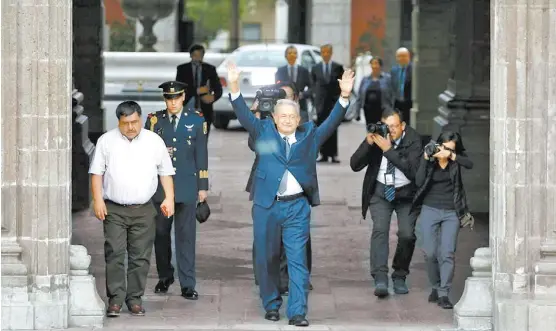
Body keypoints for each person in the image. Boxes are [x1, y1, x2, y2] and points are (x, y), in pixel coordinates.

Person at [228, 61, 354, 327]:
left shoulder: (309, 136)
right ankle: (271, 303)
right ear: (274, 118)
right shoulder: (262, 130)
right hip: (266, 206)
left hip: (297, 207)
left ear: (299, 120)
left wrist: (344, 96)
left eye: (291, 117)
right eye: (282, 116)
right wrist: (235, 85)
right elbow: (242, 113)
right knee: (267, 258)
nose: (286, 120)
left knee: (297, 260)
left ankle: (298, 311)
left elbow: (332, 122)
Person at [89, 101, 175, 317]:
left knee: (140, 256)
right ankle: (115, 300)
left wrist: (169, 198)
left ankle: (135, 299)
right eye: (125, 123)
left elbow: (165, 172)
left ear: (140, 118)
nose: (130, 127)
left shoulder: (154, 141)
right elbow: (96, 173)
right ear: (118, 121)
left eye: (135, 122)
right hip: (114, 210)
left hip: (144, 209)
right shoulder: (106, 141)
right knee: (115, 254)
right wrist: (98, 200)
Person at [144, 81, 208, 301]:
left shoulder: (196, 119)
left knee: (186, 237)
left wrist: (203, 187)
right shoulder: (154, 121)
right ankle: (165, 276)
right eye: (168, 98)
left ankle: (188, 284)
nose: (172, 102)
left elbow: (201, 154)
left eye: (176, 98)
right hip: (162, 188)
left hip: (188, 185)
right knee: (160, 235)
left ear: (183, 97)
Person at [247, 82, 313, 295]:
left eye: (287, 97)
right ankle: (267, 282)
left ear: (296, 100)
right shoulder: (266, 121)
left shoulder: (301, 124)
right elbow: (254, 144)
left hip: (294, 193)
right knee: (265, 241)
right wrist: (257, 114)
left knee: (295, 243)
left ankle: (292, 281)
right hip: (266, 187)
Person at [349, 108, 422, 298]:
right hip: (381, 192)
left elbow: (413, 172)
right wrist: (367, 143)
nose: (390, 131)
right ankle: (380, 276)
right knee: (380, 230)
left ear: (403, 126)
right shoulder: (377, 137)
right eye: (386, 126)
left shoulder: (414, 140)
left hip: (406, 194)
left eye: (394, 126)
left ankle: (399, 275)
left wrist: (389, 150)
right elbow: (354, 165)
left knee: (407, 235)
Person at [412, 131, 474, 309]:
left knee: (447, 253)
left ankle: (444, 293)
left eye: (450, 149)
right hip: (430, 208)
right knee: (429, 252)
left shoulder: (456, 160)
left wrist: (452, 155)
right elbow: (418, 181)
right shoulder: (430, 158)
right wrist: (425, 158)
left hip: (451, 212)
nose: (445, 151)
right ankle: (435, 286)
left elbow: (469, 164)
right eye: (444, 147)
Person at [176, 44, 223, 138]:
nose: (198, 58)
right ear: (190, 55)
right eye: (195, 55)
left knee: (203, 138)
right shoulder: (182, 69)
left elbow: (218, 89)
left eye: (200, 55)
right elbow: (179, 88)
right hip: (188, 107)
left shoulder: (210, 69)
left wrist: (212, 97)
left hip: (205, 109)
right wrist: (196, 91)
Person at [311, 44, 344, 163]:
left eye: (327, 52)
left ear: (331, 53)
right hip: (320, 103)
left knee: (333, 128)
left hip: (333, 103)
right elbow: (314, 85)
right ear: (321, 53)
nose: (325, 54)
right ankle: (323, 154)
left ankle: (333, 154)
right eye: (323, 52)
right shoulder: (316, 68)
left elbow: (341, 85)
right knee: (321, 128)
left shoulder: (338, 67)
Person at [275, 45, 312, 123]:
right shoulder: (280, 71)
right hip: (284, 106)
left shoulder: (304, 71)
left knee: (302, 130)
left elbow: (312, 87)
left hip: (301, 106)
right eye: (289, 53)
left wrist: (303, 94)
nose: (292, 55)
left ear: (297, 56)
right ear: (285, 56)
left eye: (294, 53)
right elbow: (277, 87)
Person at [355, 57, 393, 125]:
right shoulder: (365, 79)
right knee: (371, 132)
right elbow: (359, 96)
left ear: (380, 65)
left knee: (381, 132)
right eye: (372, 64)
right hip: (368, 111)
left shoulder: (387, 78)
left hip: (383, 110)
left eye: (376, 63)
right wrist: (357, 112)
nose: (374, 66)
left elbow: (392, 95)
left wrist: (392, 111)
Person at [390, 48, 412, 126]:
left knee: (408, 125)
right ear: (396, 58)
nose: (401, 58)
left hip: (409, 103)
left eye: (404, 56)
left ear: (409, 57)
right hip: (397, 102)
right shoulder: (394, 70)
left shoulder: (413, 69)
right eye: (399, 56)